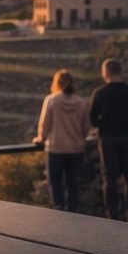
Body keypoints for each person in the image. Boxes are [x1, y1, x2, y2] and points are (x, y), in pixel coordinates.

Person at [89, 58, 128, 222]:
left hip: (108, 139)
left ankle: (112, 215)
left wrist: (104, 125)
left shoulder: (100, 93)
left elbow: (93, 119)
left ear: (105, 74)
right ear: (121, 72)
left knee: (110, 180)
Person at [33, 69, 90, 212]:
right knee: (73, 184)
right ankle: (73, 212)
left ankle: (59, 211)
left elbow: (44, 125)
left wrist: (40, 138)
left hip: (55, 149)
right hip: (76, 149)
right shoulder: (81, 103)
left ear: (56, 83)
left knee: (55, 183)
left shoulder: (52, 100)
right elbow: (85, 128)